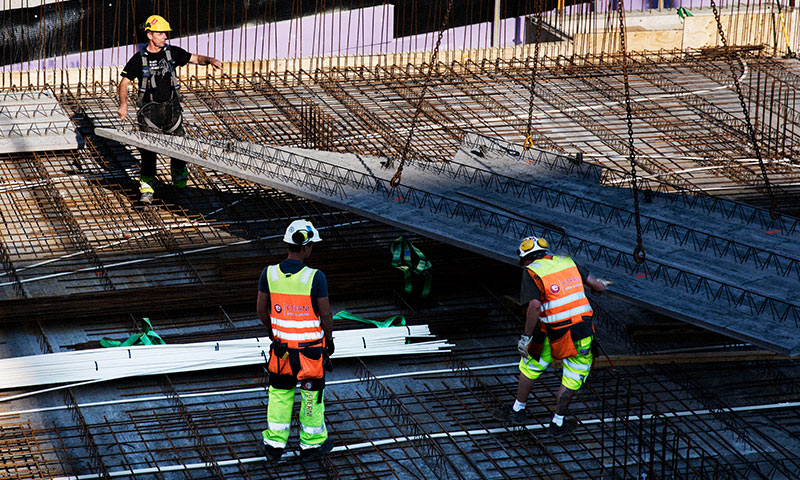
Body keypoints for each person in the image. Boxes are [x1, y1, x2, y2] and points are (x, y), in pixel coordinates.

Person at [497, 235, 612, 437]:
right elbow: (598, 286)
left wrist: (526, 337)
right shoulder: (567, 261)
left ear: (526, 259)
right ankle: (557, 423)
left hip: (551, 332)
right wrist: (601, 287)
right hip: (581, 332)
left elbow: (534, 305)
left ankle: (518, 410)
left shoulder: (531, 271)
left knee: (530, 366)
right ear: (546, 252)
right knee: (573, 375)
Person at [116, 14, 222, 204]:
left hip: (172, 111)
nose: (165, 36)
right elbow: (124, 82)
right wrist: (123, 104)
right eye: (160, 33)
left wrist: (211, 60)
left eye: (165, 33)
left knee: (179, 151)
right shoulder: (139, 59)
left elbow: (195, 58)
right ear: (150, 35)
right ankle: (147, 191)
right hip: (149, 113)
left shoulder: (172, 52)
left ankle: (181, 187)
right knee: (148, 154)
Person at [256, 219, 335, 460]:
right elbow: (326, 314)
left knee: (279, 395)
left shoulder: (269, 274)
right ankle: (310, 445)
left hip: (281, 353)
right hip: (310, 354)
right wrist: (328, 341)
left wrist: (274, 331)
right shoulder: (315, 277)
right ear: (306, 246)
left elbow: (261, 310)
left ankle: (274, 445)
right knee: (311, 396)